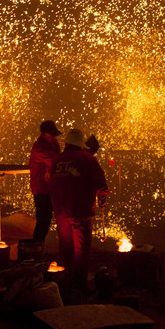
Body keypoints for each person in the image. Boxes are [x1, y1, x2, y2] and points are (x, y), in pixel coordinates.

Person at [49, 128, 109, 299]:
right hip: (80, 210)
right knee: (81, 249)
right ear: (80, 144)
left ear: (67, 143)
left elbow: (51, 183)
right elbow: (100, 182)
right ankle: (79, 285)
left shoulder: (56, 160)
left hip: (60, 211)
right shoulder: (87, 159)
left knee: (65, 246)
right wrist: (102, 198)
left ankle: (64, 282)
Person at [29, 119, 62, 242]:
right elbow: (56, 161)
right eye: (50, 134)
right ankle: (35, 246)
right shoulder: (40, 147)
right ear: (43, 133)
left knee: (46, 220)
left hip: (49, 188)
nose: (53, 137)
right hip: (41, 189)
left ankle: (37, 246)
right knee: (43, 220)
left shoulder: (52, 144)